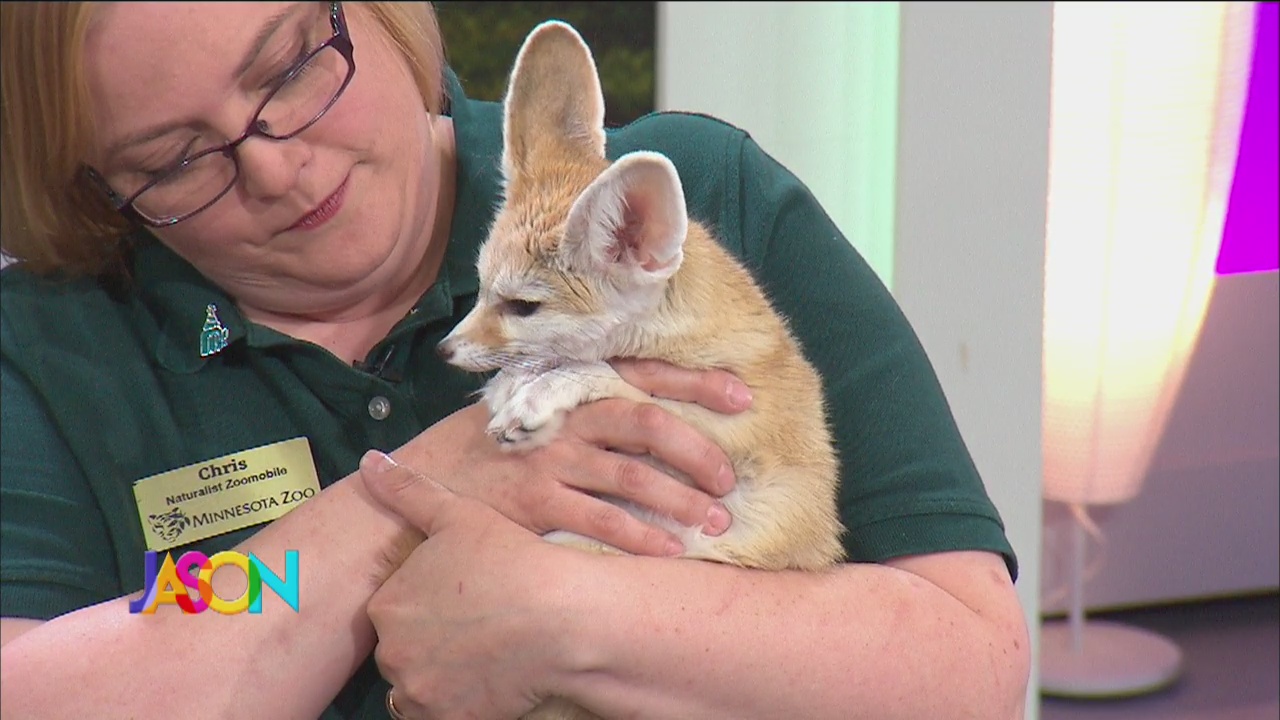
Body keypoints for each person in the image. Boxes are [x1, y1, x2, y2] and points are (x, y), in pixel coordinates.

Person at [0, 2, 1031, 719]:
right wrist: (418, 496)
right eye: (175, 161)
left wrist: (562, 617)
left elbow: (965, 670)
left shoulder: (696, 202)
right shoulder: (55, 346)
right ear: (99, 184)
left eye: (287, 70)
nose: (272, 167)